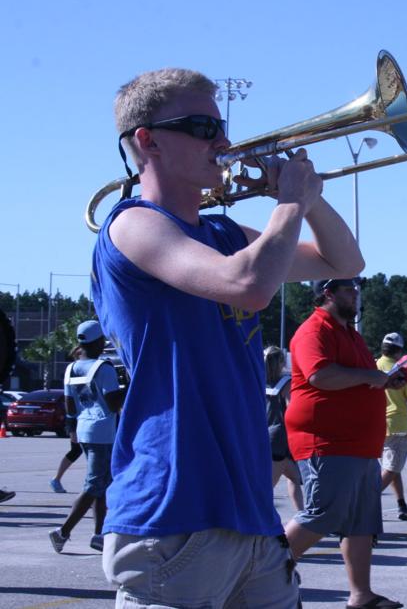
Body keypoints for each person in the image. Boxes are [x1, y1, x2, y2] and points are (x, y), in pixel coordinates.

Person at [92, 68, 363, 607]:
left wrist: (309, 199)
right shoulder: (131, 225)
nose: (223, 142)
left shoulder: (219, 233)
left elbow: (344, 261)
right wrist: (287, 205)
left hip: (251, 519)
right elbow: (248, 287)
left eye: (221, 126)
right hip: (173, 514)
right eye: (201, 127)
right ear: (147, 141)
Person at [284, 278, 404, 609]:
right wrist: (370, 377)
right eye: (349, 289)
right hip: (326, 441)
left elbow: (360, 379)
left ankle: (361, 595)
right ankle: (259, 572)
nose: (356, 294)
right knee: (321, 514)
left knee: (361, 522)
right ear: (327, 293)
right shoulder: (313, 331)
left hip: (359, 445)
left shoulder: (351, 334)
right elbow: (320, 375)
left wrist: (384, 380)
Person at [49, 320, 123, 554]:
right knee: (94, 485)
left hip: (84, 429)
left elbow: (70, 404)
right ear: (100, 342)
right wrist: (131, 387)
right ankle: (63, 532)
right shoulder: (104, 368)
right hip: (102, 431)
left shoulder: (71, 368)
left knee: (102, 484)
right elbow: (113, 404)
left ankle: (99, 535)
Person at [376, 331, 407, 522]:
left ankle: (402, 505)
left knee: (392, 467)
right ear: (399, 351)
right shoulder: (402, 369)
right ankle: (364, 500)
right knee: (393, 468)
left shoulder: (375, 365)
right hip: (396, 423)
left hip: (377, 424)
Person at [265, 346, 304, 512]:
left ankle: (302, 515)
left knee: (295, 477)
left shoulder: (258, 380)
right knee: (266, 488)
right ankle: (261, 525)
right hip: (280, 437)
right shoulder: (286, 383)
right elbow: (292, 408)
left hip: (265, 434)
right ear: (280, 362)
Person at [50, 419, 81, 493]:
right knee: (76, 450)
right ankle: (56, 479)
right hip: (75, 419)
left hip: (87, 419)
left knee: (78, 450)